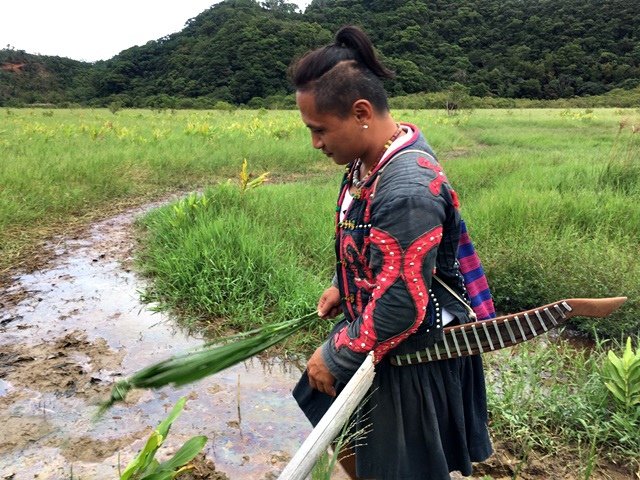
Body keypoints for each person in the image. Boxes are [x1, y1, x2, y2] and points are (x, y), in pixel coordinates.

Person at [289, 25, 494, 480]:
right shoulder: (368, 159)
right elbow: (370, 244)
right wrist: (344, 286)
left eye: (319, 130)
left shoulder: (406, 189)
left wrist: (336, 351)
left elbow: (404, 304)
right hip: (384, 332)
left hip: (410, 346)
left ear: (361, 112)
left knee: (396, 464)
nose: (316, 144)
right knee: (335, 417)